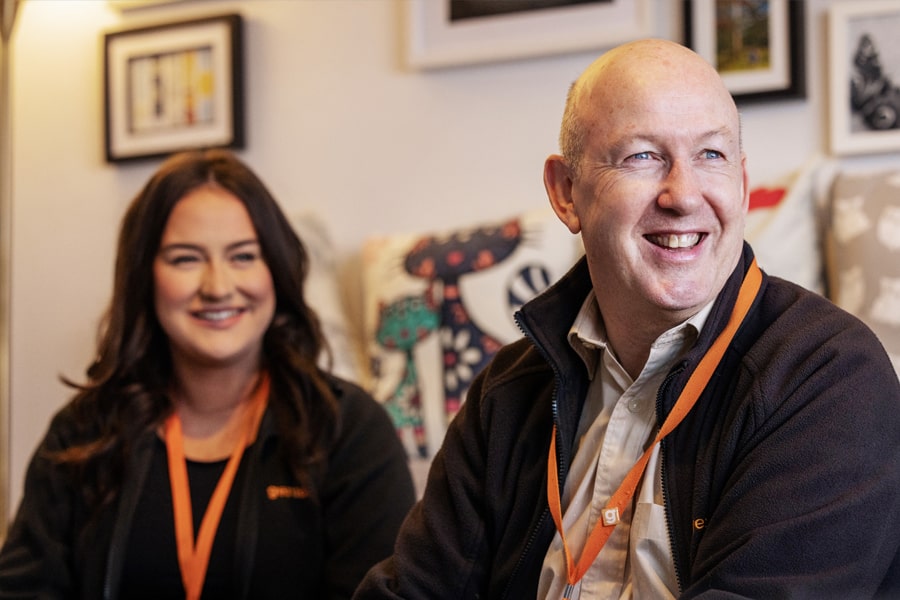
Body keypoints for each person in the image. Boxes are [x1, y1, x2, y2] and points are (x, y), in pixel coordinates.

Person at [353, 39, 900, 599]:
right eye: (642, 156)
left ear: (740, 185)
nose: (683, 195)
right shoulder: (510, 391)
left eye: (711, 155)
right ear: (566, 192)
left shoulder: (828, 378)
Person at [0, 149, 416, 599]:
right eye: (186, 259)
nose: (217, 287)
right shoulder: (84, 434)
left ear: (275, 270)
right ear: (144, 275)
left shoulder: (349, 430)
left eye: (243, 256)